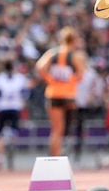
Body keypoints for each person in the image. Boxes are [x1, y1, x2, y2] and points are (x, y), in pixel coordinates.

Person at [35, 26, 87, 156]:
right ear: (73, 41)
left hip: (53, 94)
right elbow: (81, 75)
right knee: (66, 128)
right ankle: (63, 153)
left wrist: (50, 79)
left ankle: (54, 157)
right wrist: (70, 80)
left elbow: (39, 67)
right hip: (68, 95)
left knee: (56, 129)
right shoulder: (74, 56)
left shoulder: (53, 53)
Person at [0, 59, 29, 170]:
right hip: (15, 108)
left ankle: (0, 158)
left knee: (0, 135)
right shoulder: (20, 79)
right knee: (13, 132)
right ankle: (11, 150)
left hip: (2, 107)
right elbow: (25, 93)